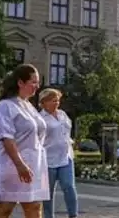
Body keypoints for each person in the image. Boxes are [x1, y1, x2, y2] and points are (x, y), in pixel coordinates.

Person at [0, 64, 49, 218]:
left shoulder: (28, 105)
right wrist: (20, 165)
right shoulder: (5, 106)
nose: (37, 86)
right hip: (10, 164)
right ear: (20, 82)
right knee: (4, 208)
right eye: (33, 82)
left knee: (34, 207)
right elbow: (6, 137)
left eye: (38, 82)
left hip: (33, 164)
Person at [39, 88, 78, 218]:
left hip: (65, 157)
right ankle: (48, 216)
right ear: (43, 102)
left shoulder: (62, 114)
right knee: (48, 192)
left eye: (57, 100)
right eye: (52, 100)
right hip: (48, 160)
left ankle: (73, 215)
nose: (56, 103)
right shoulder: (40, 118)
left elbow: (67, 131)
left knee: (69, 186)